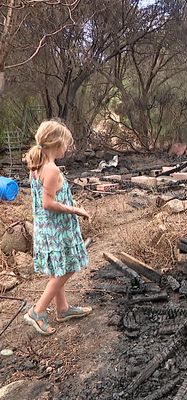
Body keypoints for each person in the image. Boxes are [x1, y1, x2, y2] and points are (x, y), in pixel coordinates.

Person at [23, 119, 92, 335]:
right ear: (56, 143)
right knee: (69, 267)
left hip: (47, 228)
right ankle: (38, 311)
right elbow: (48, 203)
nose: (67, 148)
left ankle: (62, 308)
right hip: (56, 230)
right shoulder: (50, 169)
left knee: (58, 268)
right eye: (65, 143)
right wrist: (75, 210)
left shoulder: (37, 166)